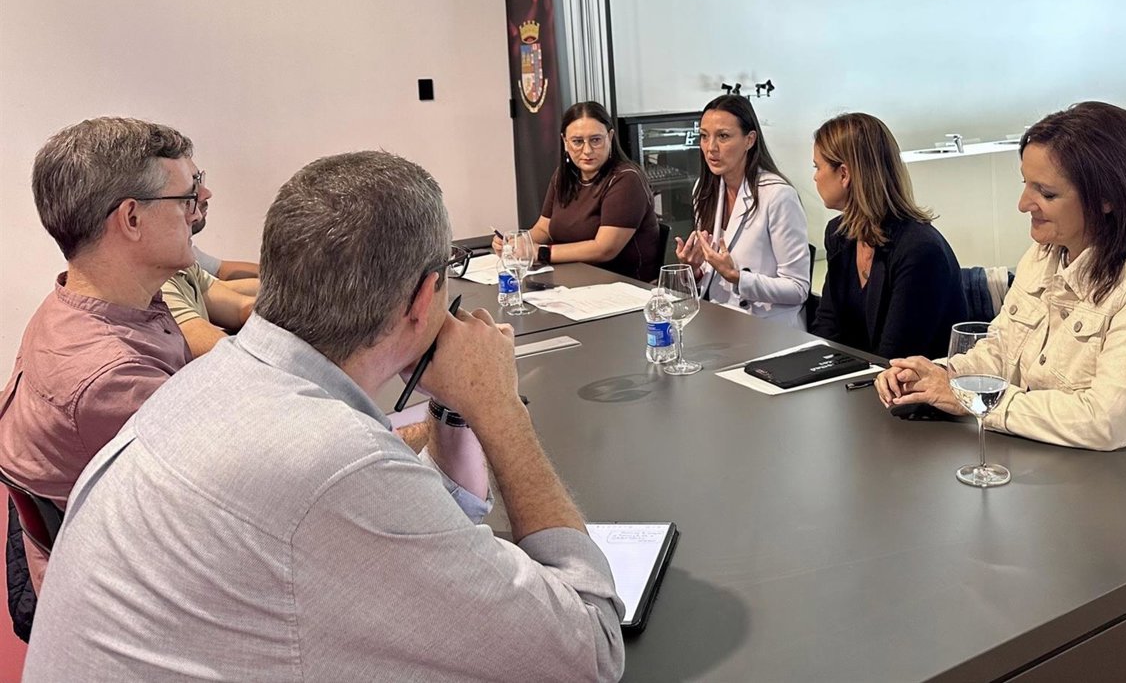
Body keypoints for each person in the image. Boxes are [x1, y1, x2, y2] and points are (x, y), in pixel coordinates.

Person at [25, 151, 625, 681]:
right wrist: (498, 409)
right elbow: (589, 651)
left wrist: (454, 405)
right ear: (424, 299)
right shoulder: (337, 464)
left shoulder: (212, 381)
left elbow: (435, 515)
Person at [877, 101, 1126, 454]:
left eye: (1046, 193)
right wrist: (937, 376)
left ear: (1108, 198)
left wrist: (966, 396)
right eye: (1026, 184)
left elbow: (1106, 422)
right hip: (1057, 459)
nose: (1023, 204)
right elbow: (1000, 352)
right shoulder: (1043, 254)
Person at [0, 118, 201, 603]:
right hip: (102, 592)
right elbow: (223, 498)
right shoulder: (112, 378)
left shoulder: (89, 300)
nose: (202, 203)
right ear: (131, 219)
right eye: (188, 196)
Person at [808, 113, 967, 358]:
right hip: (863, 375)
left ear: (844, 174)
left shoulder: (919, 249)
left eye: (817, 167)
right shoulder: (839, 234)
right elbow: (827, 326)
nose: (815, 177)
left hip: (906, 379)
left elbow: (896, 356)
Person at [674, 94, 810, 327]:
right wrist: (694, 270)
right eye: (704, 136)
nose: (711, 148)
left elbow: (798, 288)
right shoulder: (704, 189)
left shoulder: (777, 195)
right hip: (718, 319)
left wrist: (737, 277)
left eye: (723, 136)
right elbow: (711, 275)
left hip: (768, 328)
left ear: (750, 140)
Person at [492, 101, 660, 282]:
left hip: (621, 284)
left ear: (610, 137)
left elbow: (604, 249)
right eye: (577, 142)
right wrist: (516, 244)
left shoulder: (627, 179)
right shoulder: (564, 175)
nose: (587, 150)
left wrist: (541, 253)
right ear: (565, 142)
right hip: (570, 278)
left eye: (596, 140)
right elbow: (544, 228)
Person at [161, 170, 257, 356]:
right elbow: (228, 358)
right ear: (132, 218)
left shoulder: (180, 260)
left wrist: (303, 295)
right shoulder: (157, 284)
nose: (206, 193)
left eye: (199, 179)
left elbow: (241, 307)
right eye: (190, 187)